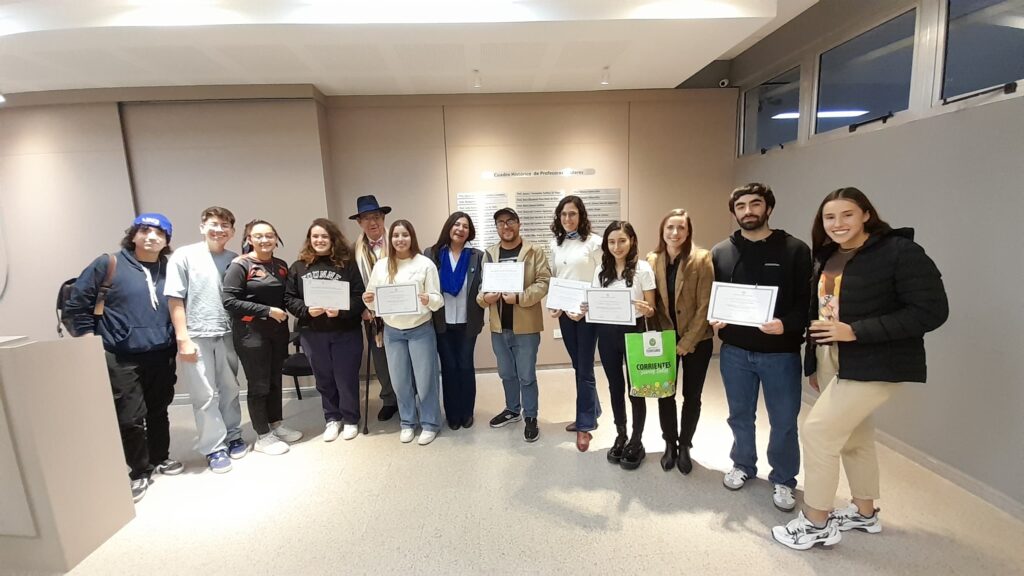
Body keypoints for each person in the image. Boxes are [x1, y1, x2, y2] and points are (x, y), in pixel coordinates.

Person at [772, 187, 948, 550]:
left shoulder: (900, 252)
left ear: (866, 214)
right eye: (829, 217)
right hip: (831, 355)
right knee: (855, 436)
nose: (837, 223)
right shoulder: (828, 255)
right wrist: (814, 361)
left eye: (847, 214)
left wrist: (855, 331)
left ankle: (816, 522)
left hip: (875, 360)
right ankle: (865, 512)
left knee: (818, 432)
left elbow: (931, 311)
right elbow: (819, 312)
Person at [65, 213, 180, 502]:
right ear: (133, 234)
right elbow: (76, 305)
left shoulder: (170, 268)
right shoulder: (109, 264)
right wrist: (88, 342)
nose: (151, 237)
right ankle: (139, 470)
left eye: (159, 233)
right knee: (130, 416)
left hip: (161, 351)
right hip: (120, 353)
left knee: (159, 409)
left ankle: (160, 457)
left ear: (166, 240)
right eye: (145, 231)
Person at [710, 183, 811, 512]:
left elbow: (807, 303)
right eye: (741, 206)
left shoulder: (795, 249)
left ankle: (783, 478)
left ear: (768, 208)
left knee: (784, 420)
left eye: (755, 204)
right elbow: (715, 296)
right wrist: (715, 317)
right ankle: (743, 464)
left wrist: (787, 323)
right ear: (734, 212)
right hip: (735, 352)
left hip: (781, 353)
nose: (748, 211)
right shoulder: (721, 252)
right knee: (740, 416)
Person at [164, 206, 248, 473]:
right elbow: (175, 298)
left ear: (232, 231)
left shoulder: (235, 260)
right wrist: (182, 338)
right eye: (213, 224)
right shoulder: (184, 256)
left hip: (227, 332)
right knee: (205, 394)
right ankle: (214, 447)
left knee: (230, 388)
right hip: (197, 334)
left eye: (225, 225)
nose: (219, 230)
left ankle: (233, 435)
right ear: (202, 227)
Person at [222, 220, 303, 455]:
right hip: (251, 333)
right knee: (259, 384)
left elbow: (287, 296)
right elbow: (229, 302)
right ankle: (262, 435)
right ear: (249, 239)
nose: (265, 240)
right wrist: (266, 311)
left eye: (269, 235)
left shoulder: (280, 265)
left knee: (275, 379)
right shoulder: (240, 265)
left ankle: (276, 424)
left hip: (277, 332)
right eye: (258, 236)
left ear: (276, 239)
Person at [362, 220, 444, 445]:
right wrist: (368, 300)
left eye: (405, 235)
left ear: (412, 237)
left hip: (420, 330)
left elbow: (438, 300)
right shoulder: (382, 266)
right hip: (393, 332)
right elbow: (372, 299)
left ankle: (430, 423)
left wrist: (428, 299)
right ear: (390, 239)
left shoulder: (425, 264)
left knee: (426, 381)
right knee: (400, 381)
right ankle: (407, 422)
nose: (400, 239)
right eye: (396, 235)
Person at [645, 209, 714, 476]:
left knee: (692, 396)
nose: (675, 233)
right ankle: (669, 443)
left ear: (688, 232)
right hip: (664, 338)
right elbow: (651, 301)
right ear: (662, 231)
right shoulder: (652, 259)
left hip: (697, 339)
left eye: (681, 228)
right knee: (665, 394)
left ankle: (685, 444)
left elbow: (705, 305)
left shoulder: (702, 258)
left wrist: (688, 341)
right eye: (670, 228)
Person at [582, 221, 656, 469]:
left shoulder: (643, 269)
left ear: (632, 241)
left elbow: (652, 308)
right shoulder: (601, 270)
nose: (617, 246)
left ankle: (637, 440)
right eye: (611, 242)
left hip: (634, 332)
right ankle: (621, 434)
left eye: (622, 240)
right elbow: (595, 301)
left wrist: (647, 309)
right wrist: (587, 307)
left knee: (636, 389)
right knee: (615, 386)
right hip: (607, 334)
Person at [285, 218, 366, 442]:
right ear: (309, 240)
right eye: (315, 236)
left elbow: (359, 297)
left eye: (324, 236)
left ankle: (350, 418)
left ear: (332, 239)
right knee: (324, 378)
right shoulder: (298, 267)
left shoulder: (347, 265)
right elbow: (289, 298)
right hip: (313, 333)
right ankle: (332, 418)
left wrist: (341, 311)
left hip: (346, 331)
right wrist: (306, 310)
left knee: (346, 377)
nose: (319, 240)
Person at [478, 208, 550, 443]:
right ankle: (512, 409)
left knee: (526, 375)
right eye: (500, 222)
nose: (506, 226)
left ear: (519, 224)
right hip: (499, 327)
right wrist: (485, 298)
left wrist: (519, 298)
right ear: (496, 227)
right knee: (506, 373)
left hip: (526, 327)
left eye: (510, 221)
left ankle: (531, 416)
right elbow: (481, 288)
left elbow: (544, 282)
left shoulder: (534, 251)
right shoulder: (489, 254)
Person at [547, 195, 603, 452]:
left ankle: (585, 424)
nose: (568, 218)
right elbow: (556, 277)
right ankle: (592, 410)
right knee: (578, 365)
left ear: (581, 216)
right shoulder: (555, 244)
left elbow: (602, 278)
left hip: (587, 314)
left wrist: (587, 305)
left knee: (585, 368)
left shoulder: (595, 243)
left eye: (572, 214)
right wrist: (554, 303)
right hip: (565, 314)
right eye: (563, 214)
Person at [424, 212, 484, 430]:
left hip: (468, 322)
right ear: (449, 227)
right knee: (449, 367)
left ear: (470, 232)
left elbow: (483, 284)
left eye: (465, 226)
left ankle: (467, 412)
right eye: (457, 224)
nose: (460, 229)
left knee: (465, 365)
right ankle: (452, 413)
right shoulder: (432, 254)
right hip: (442, 321)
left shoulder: (477, 256)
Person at [351, 195, 399, 421]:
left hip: (400, 313)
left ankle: (409, 398)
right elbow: (354, 284)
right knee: (381, 359)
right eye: (367, 218)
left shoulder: (399, 241)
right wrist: (363, 308)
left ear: (383, 218)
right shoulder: (353, 251)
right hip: (371, 316)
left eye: (377, 217)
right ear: (359, 222)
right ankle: (389, 399)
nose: (373, 222)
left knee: (403, 358)